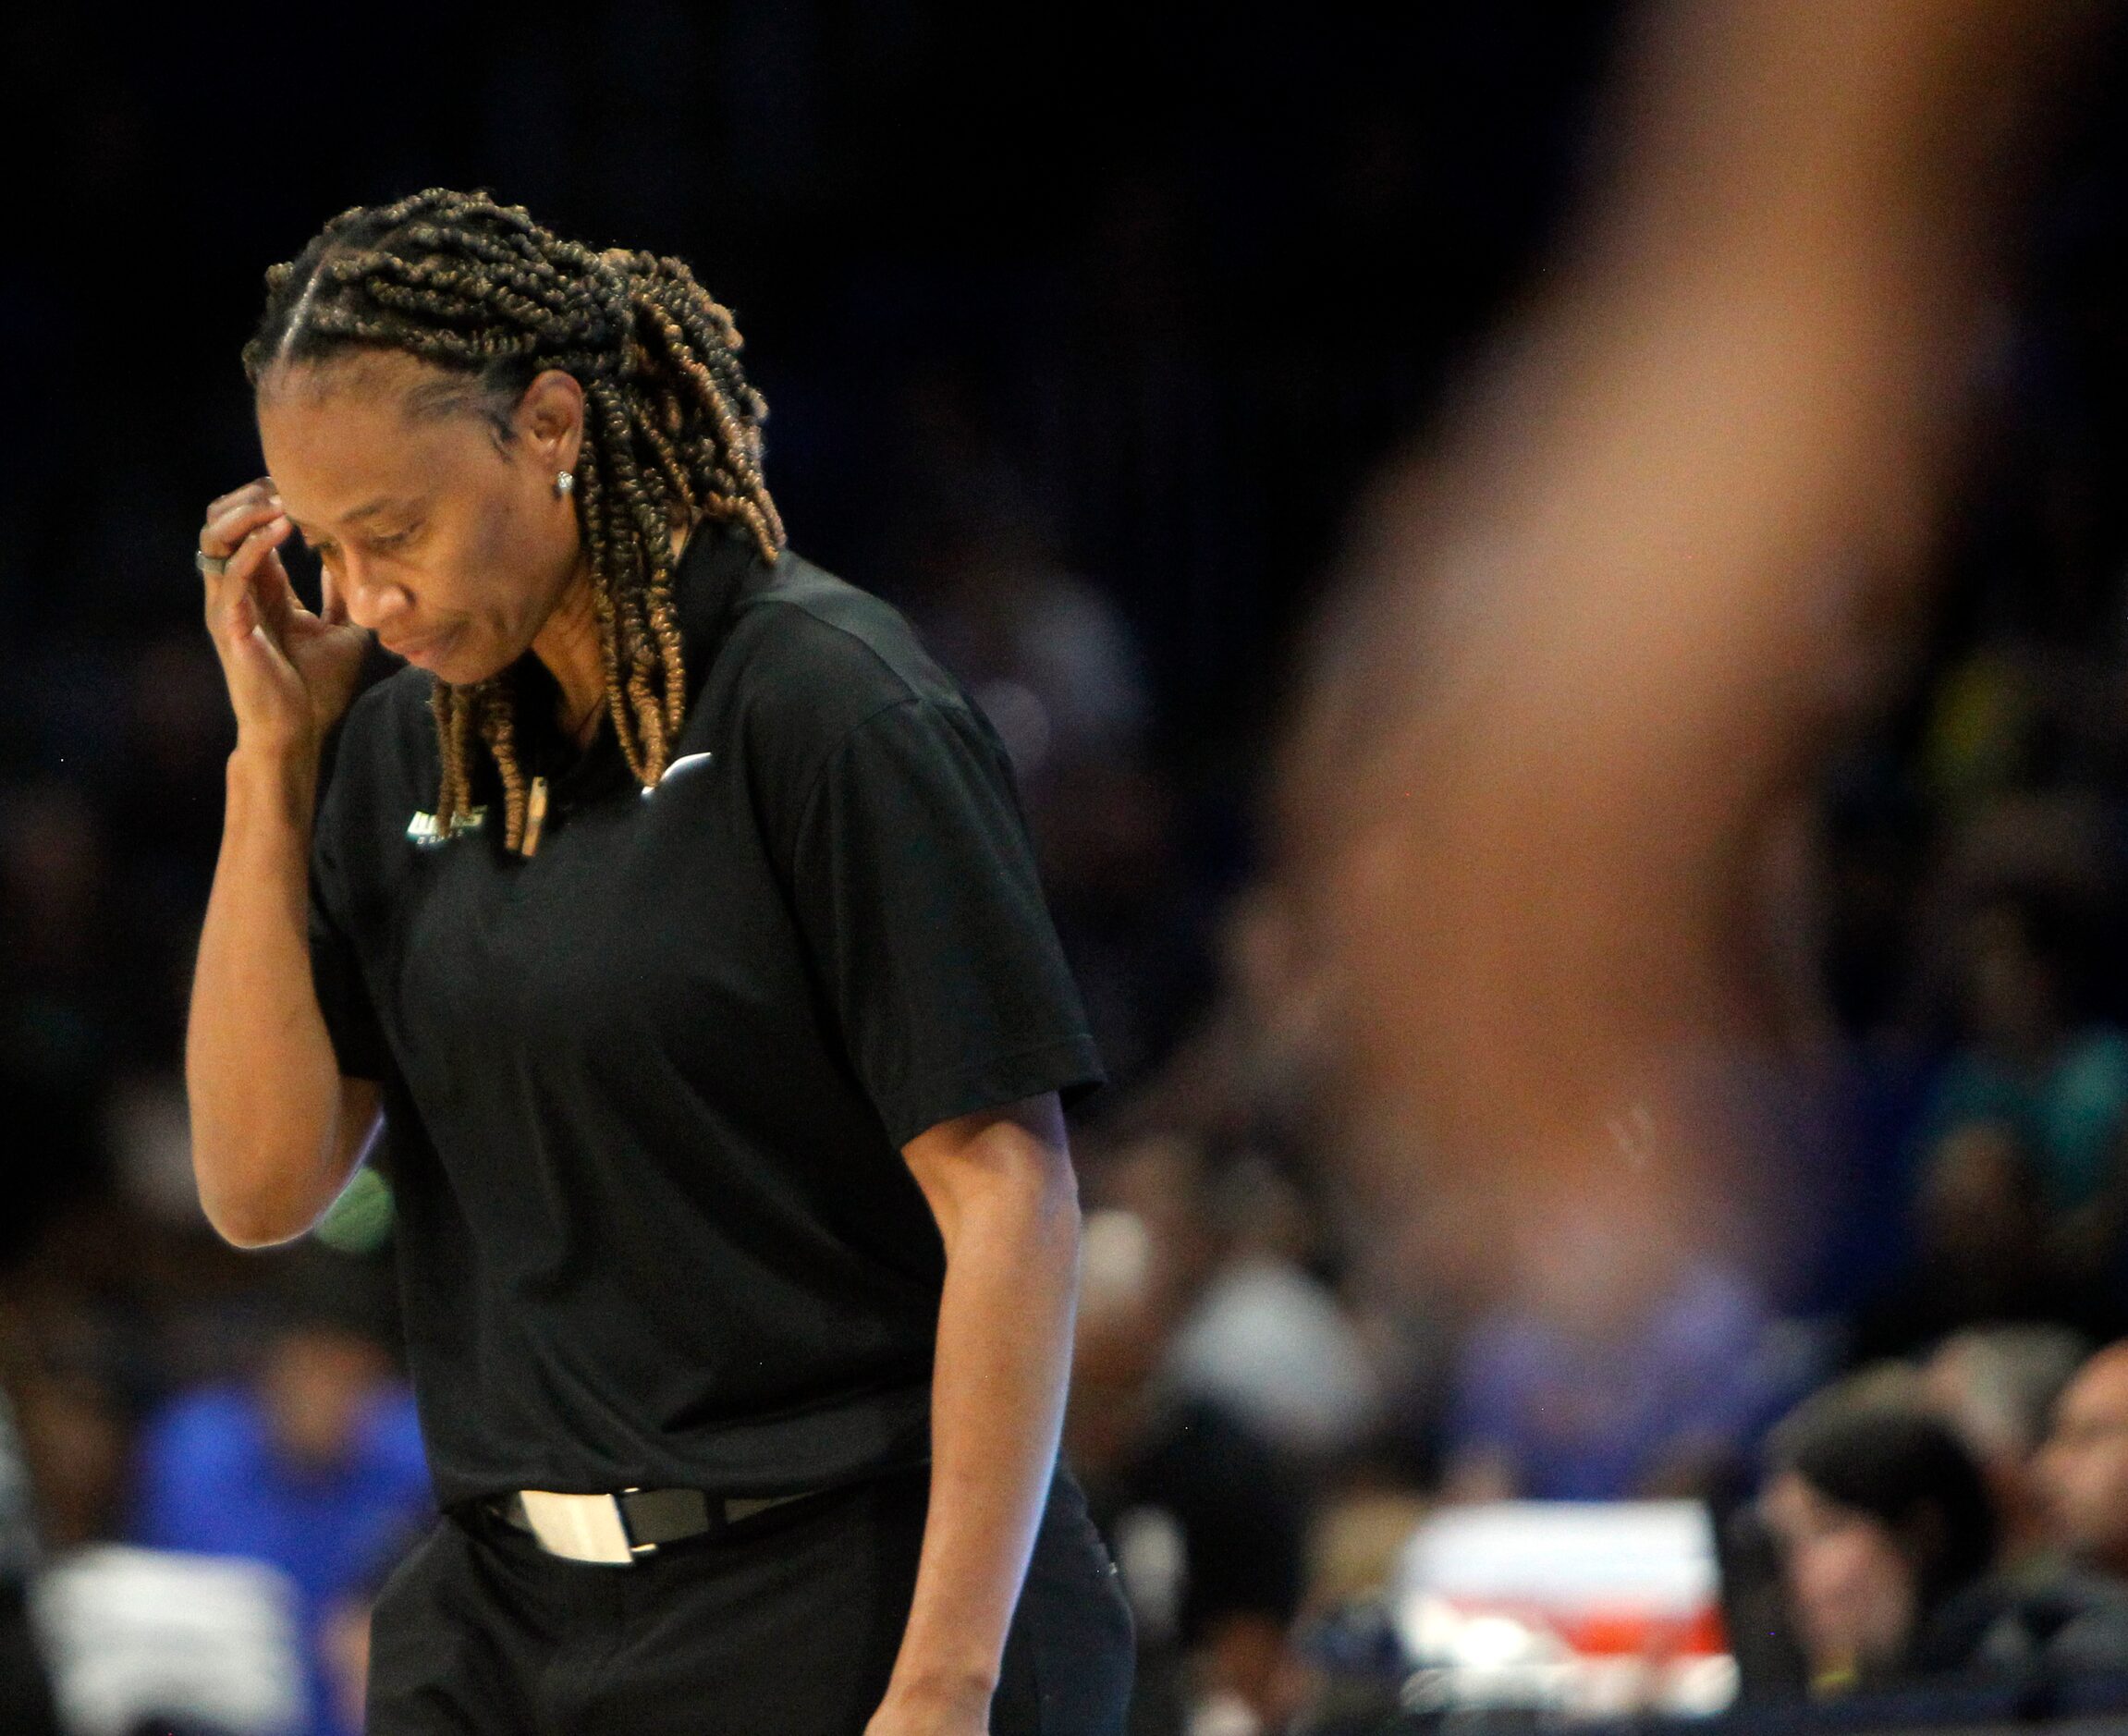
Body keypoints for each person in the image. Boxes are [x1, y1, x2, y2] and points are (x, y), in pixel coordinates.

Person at [184, 189, 1131, 1735]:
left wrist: (947, 1681)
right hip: (503, 1616)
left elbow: (1013, 1197)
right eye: (328, 545)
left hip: (841, 1587)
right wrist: (271, 764)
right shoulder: (381, 746)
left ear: (548, 422)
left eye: (396, 532)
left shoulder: (827, 707)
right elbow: (260, 1181)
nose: (361, 599)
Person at [129, 1252, 429, 1736]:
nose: (327, 1397)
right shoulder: (192, 1451)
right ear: (271, 1364)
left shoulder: (415, 1456)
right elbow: (154, 1618)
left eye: (350, 1378)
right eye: (311, 1369)